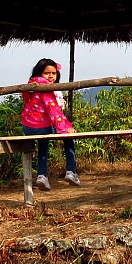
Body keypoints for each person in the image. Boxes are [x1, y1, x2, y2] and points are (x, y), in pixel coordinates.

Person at [21, 58, 81, 190]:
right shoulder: (46, 89)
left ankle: (42, 176)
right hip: (41, 127)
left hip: (28, 127)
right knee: (68, 138)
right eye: (47, 73)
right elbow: (54, 112)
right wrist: (65, 130)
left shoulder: (32, 85)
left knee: (44, 142)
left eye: (53, 73)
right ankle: (71, 171)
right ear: (39, 73)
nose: (50, 76)